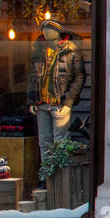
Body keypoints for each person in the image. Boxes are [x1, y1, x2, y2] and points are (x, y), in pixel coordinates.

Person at [26, 15, 85, 178]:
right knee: (44, 141)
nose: (46, 33)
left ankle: (60, 175)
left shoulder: (70, 50)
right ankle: (47, 176)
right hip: (42, 101)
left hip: (60, 102)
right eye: (44, 30)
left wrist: (68, 100)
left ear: (57, 32)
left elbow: (79, 77)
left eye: (49, 30)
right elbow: (33, 76)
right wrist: (32, 99)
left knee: (60, 141)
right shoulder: (39, 51)